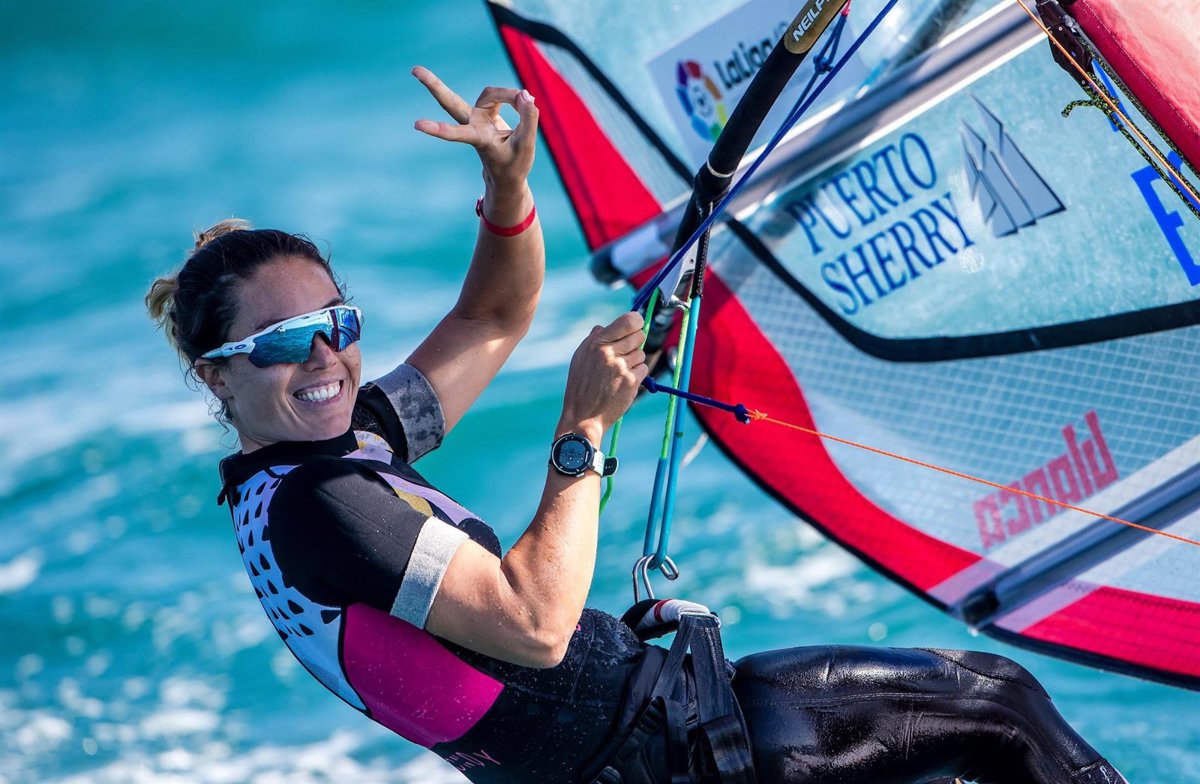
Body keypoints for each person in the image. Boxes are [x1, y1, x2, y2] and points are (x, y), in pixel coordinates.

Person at [146, 67, 1129, 784]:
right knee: (999, 705)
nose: (325, 357)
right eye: (284, 342)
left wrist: (507, 187)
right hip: (684, 754)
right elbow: (534, 625)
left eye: (339, 324)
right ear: (215, 373)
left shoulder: (333, 453)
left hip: (660, 740)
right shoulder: (326, 506)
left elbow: (492, 318)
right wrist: (584, 426)